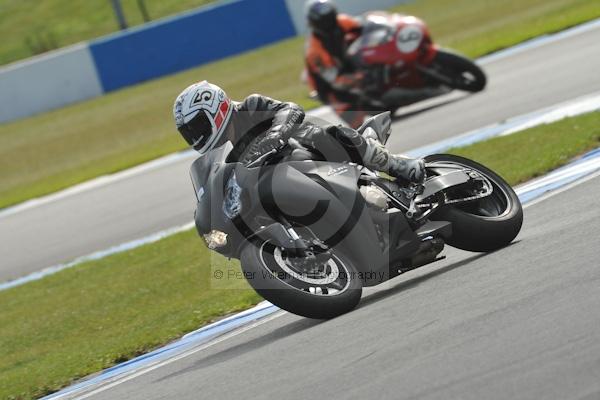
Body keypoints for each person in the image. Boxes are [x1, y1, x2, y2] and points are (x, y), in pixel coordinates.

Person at [173, 80, 425, 183]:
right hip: (288, 179)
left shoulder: (251, 106)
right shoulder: (229, 156)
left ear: (215, 109)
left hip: (308, 150)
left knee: (330, 133)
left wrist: (277, 131)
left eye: (198, 126)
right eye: (189, 131)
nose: (196, 135)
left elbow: (291, 109)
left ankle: (394, 164)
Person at [304, 0, 443, 128]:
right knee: (357, 125)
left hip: (349, 64)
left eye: (331, 19)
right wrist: (359, 78)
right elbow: (335, 81)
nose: (330, 25)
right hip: (331, 88)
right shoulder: (315, 52)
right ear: (314, 24)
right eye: (324, 22)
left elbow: (365, 27)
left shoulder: (342, 22)